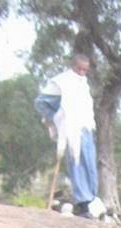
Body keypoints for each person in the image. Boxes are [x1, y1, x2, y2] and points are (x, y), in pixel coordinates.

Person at [35, 51, 98, 215]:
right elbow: (41, 103)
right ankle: (83, 203)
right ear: (73, 66)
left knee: (90, 165)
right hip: (71, 131)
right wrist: (56, 117)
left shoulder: (83, 84)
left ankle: (91, 200)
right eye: (80, 69)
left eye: (85, 70)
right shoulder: (61, 82)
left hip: (86, 129)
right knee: (77, 166)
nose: (82, 73)